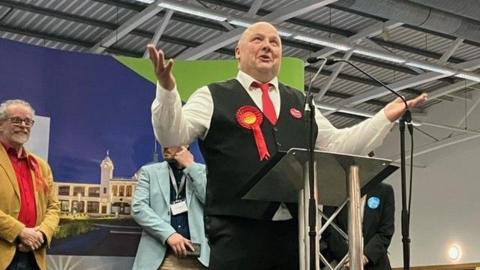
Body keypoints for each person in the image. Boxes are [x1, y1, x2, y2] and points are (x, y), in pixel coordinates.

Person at [147, 21, 427, 270]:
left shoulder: (302, 103)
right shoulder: (212, 95)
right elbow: (173, 136)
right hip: (238, 232)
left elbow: (340, 144)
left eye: (275, 42)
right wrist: (167, 90)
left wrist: (385, 116)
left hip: (296, 233)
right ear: (238, 52)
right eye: (257, 39)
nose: (267, 46)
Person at [0, 99, 60, 270]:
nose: (23, 125)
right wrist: (20, 232)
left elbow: (54, 207)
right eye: (17, 120)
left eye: (28, 122)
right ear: (0, 124)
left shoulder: (41, 165)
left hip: (34, 255)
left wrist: (40, 234)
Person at [132, 146, 209, 270]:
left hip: (199, 260)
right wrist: (169, 235)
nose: (165, 146)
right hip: (160, 260)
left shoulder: (203, 171)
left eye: (170, 141)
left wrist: (191, 166)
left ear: (185, 143)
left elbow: (211, 202)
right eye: (163, 141)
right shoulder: (148, 172)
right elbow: (138, 208)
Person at [322, 182, 395, 269]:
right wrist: (348, 258)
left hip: (374, 262)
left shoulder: (384, 190)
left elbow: (385, 232)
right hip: (341, 262)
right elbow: (329, 229)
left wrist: (364, 257)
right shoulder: (334, 190)